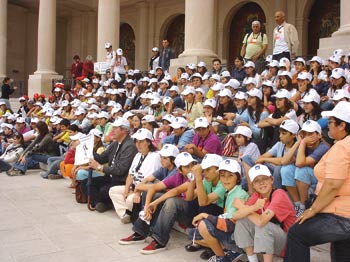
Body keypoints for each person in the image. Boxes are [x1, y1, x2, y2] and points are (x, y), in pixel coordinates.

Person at [285, 101, 350, 262]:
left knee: (297, 234)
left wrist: (312, 210)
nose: (328, 127)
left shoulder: (342, 147)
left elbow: (333, 184)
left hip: (341, 213)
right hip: (343, 211)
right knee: (343, 251)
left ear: (342, 125)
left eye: (331, 123)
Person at [118, 152, 197, 254]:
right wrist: (147, 206)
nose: (191, 168)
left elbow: (175, 191)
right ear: (179, 170)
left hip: (192, 215)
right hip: (180, 209)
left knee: (171, 201)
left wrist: (154, 203)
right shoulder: (177, 176)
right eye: (187, 166)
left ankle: (160, 241)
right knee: (152, 194)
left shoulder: (198, 176)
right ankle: (140, 233)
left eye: (192, 164)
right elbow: (153, 188)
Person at [233, 164, 296, 262]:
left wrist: (242, 207)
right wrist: (252, 208)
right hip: (273, 242)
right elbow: (235, 215)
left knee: (263, 226)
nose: (261, 183)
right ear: (253, 185)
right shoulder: (256, 195)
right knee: (242, 220)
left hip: (288, 245)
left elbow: (261, 222)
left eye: (264, 178)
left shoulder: (279, 194)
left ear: (271, 180)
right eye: (257, 181)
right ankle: (253, 260)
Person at [191, 158, 249, 262]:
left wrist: (206, 216)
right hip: (232, 233)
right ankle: (228, 252)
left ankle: (223, 257)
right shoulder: (230, 191)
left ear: (238, 177)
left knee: (203, 226)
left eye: (230, 175)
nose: (226, 179)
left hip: (238, 238)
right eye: (223, 175)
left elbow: (230, 225)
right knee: (193, 234)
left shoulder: (240, 195)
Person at [81, 117, 137, 212]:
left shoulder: (130, 146)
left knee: (104, 190)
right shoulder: (115, 144)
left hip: (121, 180)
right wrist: (86, 148)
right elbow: (102, 158)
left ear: (123, 130)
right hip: (111, 177)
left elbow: (120, 170)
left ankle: (102, 202)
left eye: (115, 128)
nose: (112, 130)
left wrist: (99, 167)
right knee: (85, 183)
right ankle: (102, 203)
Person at [108, 128, 161, 224]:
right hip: (134, 186)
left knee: (129, 199)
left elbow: (149, 180)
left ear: (149, 142)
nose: (138, 144)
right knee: (113, 190)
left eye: (141, 141)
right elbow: (130, 175)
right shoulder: (138, 155)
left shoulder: (155, 157)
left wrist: (136, 191)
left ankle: (131, 213)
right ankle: (125, 214)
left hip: (145, 190)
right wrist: (127, 189)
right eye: (136, 141)